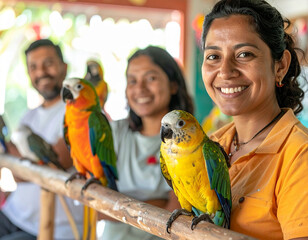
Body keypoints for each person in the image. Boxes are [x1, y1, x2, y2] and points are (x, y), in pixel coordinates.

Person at [200, 0, 308, 239]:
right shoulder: (210, 144)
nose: (225, 71)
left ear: (280, 66)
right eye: (213, 56)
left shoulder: (299, 155)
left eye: (244, 54)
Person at [98, 46, 194, 240]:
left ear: (173, 85)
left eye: (151, 78)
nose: (140, 89)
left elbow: (176, 215)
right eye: (132, 80)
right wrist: (157, 202)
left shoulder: (190, 144)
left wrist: (118, 202)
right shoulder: (112, 132)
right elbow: (94, 203)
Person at [0, 39, 84, 239]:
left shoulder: (79, 112)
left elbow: (54, 164)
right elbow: (20, 176)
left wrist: (13, 155)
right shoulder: (29, 115)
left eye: (48, 63)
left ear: (64, 67)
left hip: (56, 229)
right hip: (13, 214)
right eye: (33, 67)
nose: (41, 72)